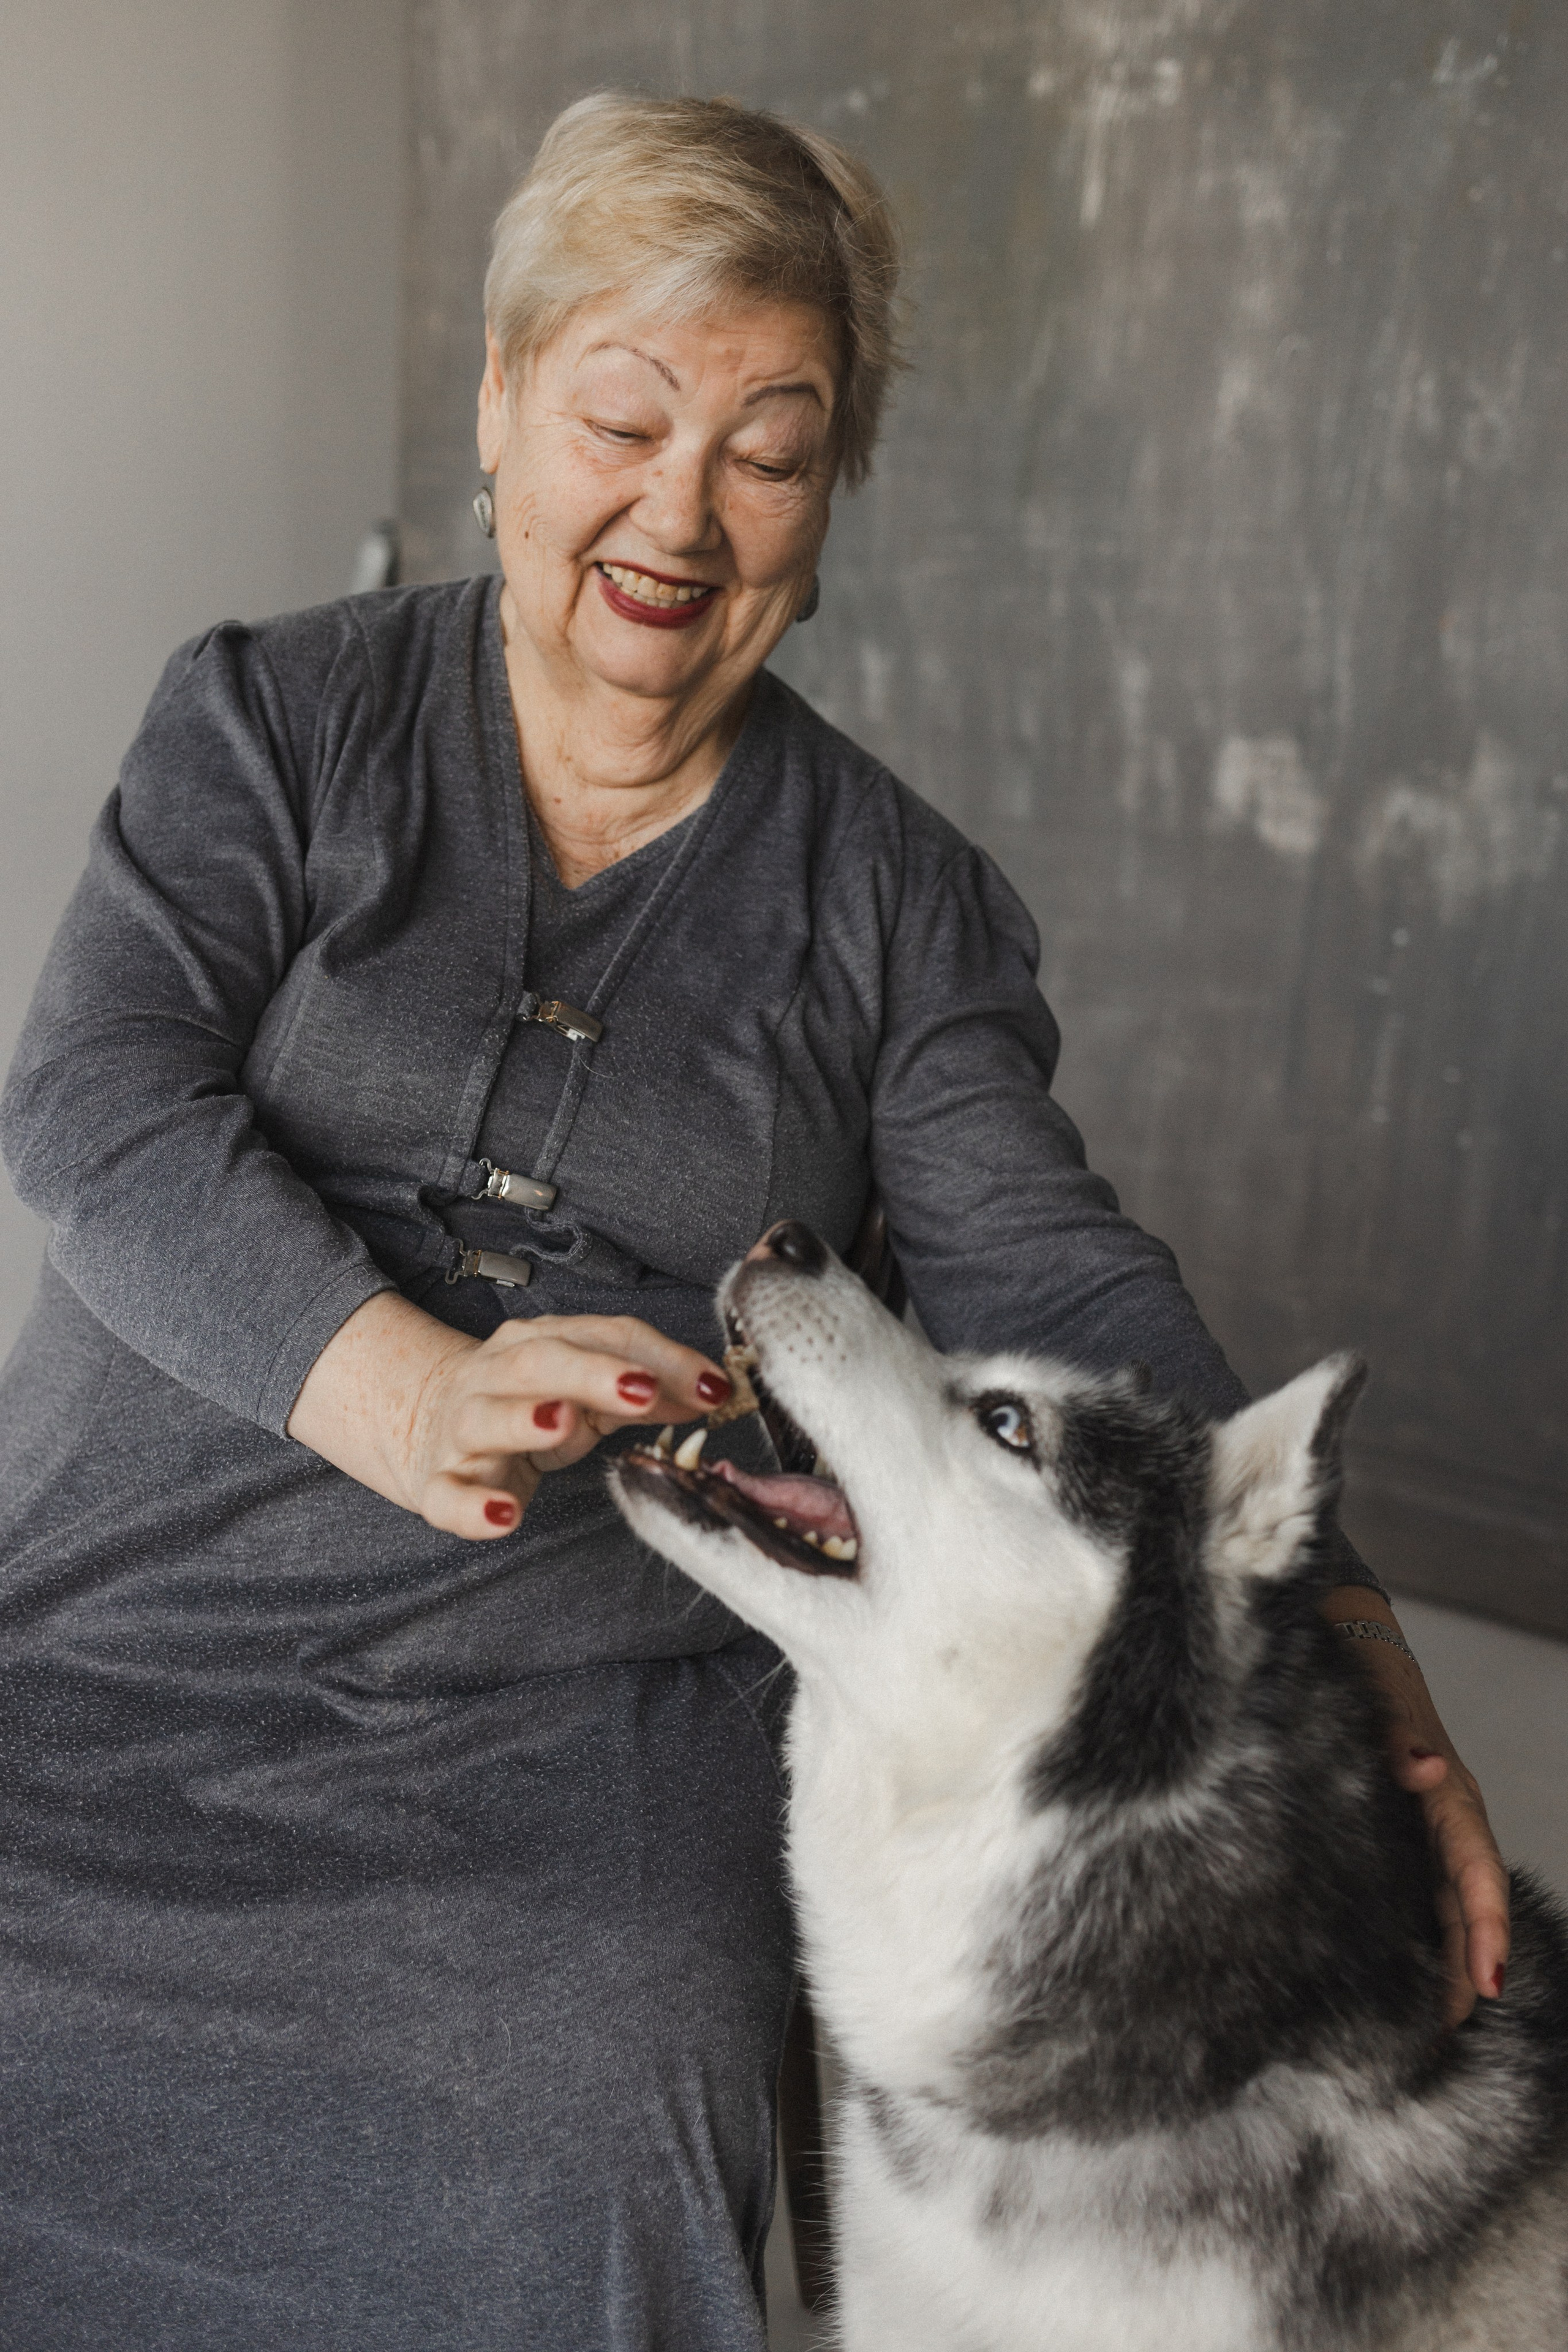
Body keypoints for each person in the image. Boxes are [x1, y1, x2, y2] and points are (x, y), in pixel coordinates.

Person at [0, 92, 1508, 2351]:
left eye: (770, 449)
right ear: (503, 408)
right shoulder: (273, 726)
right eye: (621, 414)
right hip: (113, 1662)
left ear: (832, 500)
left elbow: (1064, 1283)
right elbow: (98, 1102)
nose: (678, 513)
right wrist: (403, 1391)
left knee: (590, 2109)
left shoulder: (897, 905)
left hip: (577, 1749)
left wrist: (1369, 1685)